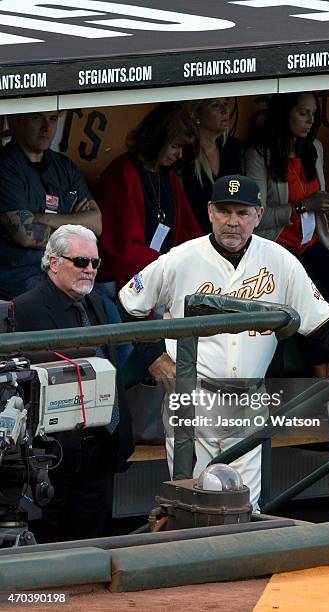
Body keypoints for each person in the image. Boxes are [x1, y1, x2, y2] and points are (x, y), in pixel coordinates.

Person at [118, 174, 329, 512]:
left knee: (246, 507)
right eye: (224, 211)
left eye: (242, 212)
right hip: (194, 398)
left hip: (249, 400)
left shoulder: (279, 260)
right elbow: (127, 302)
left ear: (259, 214)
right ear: (209, 212)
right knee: (194, 507)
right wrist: (156, 359)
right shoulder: (181, 258)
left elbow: (325, 324)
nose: (232, 221)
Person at [12, 225, 133, 543]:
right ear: (53, 262)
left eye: (95, 263)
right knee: (48, 548)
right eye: (81, 262)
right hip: (50, 457)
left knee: (92, 545)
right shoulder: (22, 310)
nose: (90, 270)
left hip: (99, 450)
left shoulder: (100, 303)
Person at [245, 92, 329, 378]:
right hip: (279, 246)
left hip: (310, 243)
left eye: (314, 114)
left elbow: (315, 201)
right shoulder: (260, 153)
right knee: (311, 294)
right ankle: (322, 376)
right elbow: (256, 216)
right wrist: (303, 206)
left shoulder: (313, 147)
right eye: (303, 113)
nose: (311, 121)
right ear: (285, 113)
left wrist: (325, 206)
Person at [97, 102, 202, 292]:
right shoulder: (124, 174)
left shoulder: (167, 177)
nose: (179, 155)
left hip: (161, 274)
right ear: (158, 138)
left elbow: (188, 233)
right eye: (175, 146)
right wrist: (168, 264)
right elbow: (121, 250)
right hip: (126, 284)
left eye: (183, 150)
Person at [0, 111, 101, 299]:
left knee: (104, 305)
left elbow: (96, 224)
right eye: (37, 117)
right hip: (20, 275)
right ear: (16, 120)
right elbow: (26, 234)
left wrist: (42, 218)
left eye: (53, 119)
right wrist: (76, 227)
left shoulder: (64, 167)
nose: (47, 127)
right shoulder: (5, 166)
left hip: (66, 270)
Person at [182, 97, 243, 233]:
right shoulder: (185, 155)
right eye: (215, 105)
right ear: (196, 114)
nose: (224, 111)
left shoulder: (232, 149)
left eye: (225, 104)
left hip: (232, 233)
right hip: (196, 237)